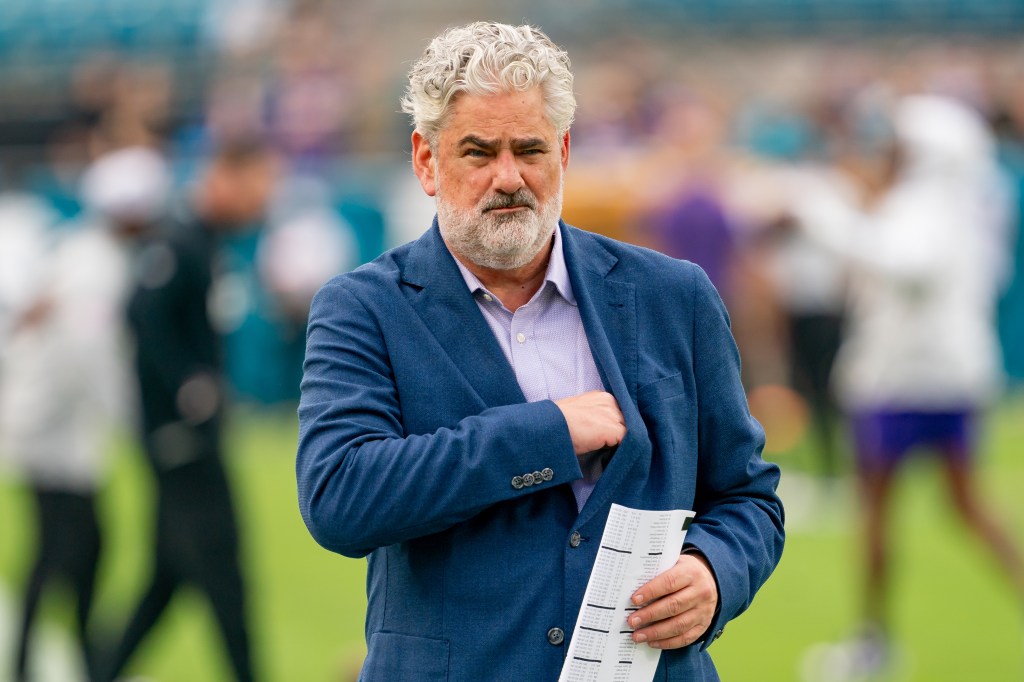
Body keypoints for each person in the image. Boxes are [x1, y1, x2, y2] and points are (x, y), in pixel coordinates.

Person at [296, 22, 784, 681]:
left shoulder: (675, 295)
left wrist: (714, 574)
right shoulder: (363, 308)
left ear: (564, 150)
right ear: (425, 160)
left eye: (530, 149)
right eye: (478, 152)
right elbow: (340, 500)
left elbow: (748, 495)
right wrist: (547, 435)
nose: (510, 177)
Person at [793, 94, 1024, 679]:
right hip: (943, 379)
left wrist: (821, 209)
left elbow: (901, 262)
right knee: (963, 506)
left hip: (902, 383)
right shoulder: (967, 203)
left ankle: (872, 643)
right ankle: (872, 640)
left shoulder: (931, 205)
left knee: (887, 512)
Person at [98, 141, 273, 682]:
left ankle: (99, 671)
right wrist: (187, 386)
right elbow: (141, 313)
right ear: (223, 177)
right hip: (182, 441)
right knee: (224, 572)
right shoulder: (180, 241)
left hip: (187, 437)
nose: (261, 200)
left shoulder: (204, 242)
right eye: (254, 185)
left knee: (168, 577)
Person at [0, 188, 131, 682]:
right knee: (66, 548)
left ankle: (66, 652)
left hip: (47, 428)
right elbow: (86, 354)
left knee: (67, 548)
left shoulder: (76, 258)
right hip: (50, 434)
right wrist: (122, 413)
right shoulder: (94, 268)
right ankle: (56, 655)